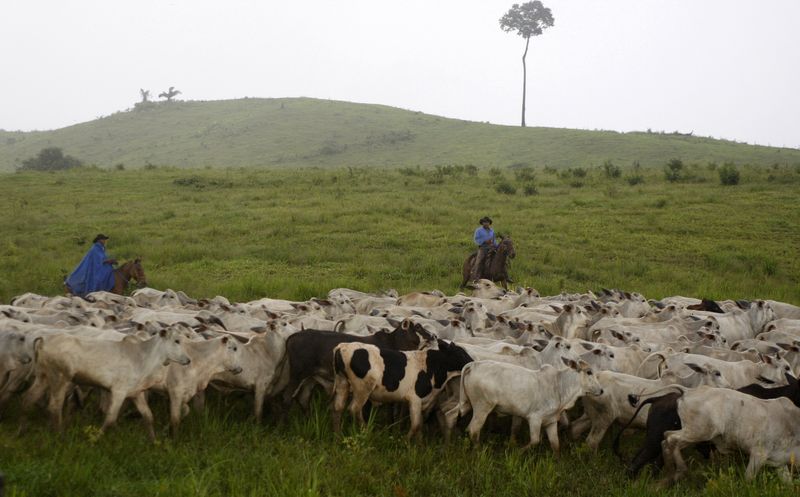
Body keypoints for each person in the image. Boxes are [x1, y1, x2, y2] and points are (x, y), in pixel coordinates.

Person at [470, 216, 498, 281]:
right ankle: (476, 277)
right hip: (483, 248)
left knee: (500, 257)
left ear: (489, 223)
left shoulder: (492, 231)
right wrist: (484, 241)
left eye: (487, 222)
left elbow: (494, 240)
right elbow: (476, 239)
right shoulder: (478, 230)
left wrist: (497, 246)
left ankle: (504, 275)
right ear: (482, 223)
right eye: (484, 222)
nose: (486, 223)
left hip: (492, 247)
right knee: (479, 260)